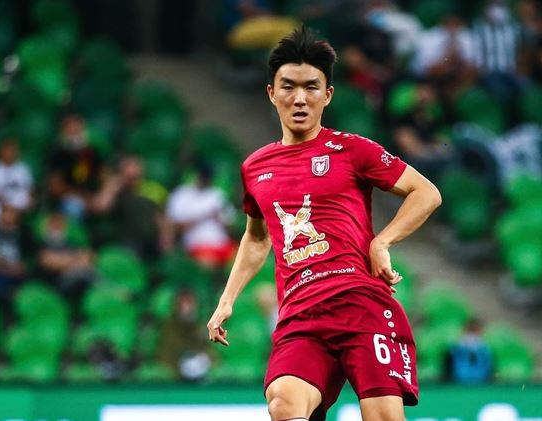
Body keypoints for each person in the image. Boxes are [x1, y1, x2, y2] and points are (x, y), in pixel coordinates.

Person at [207, 28, 442, 421]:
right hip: (301, 316)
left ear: (328, 95)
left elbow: (426, 193)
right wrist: (227, 300)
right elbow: (256, 238)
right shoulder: (255, 167)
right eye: (288, 87)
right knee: (283, 401)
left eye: (311, 87)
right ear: (271, 93)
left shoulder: (353, 150)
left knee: (383, 417)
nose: (299, 98)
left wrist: (381, 242)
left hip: (361, 305)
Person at [166, 164, 237, 269]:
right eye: (202, 177)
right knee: (208, 262)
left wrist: (219, 218)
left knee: (245, 258)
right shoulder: (181, 194)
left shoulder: (218, 195)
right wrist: (203, 216)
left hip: (222, 244)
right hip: (197, 245)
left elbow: (231, 228)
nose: (204, 180)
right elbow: (173, 227)